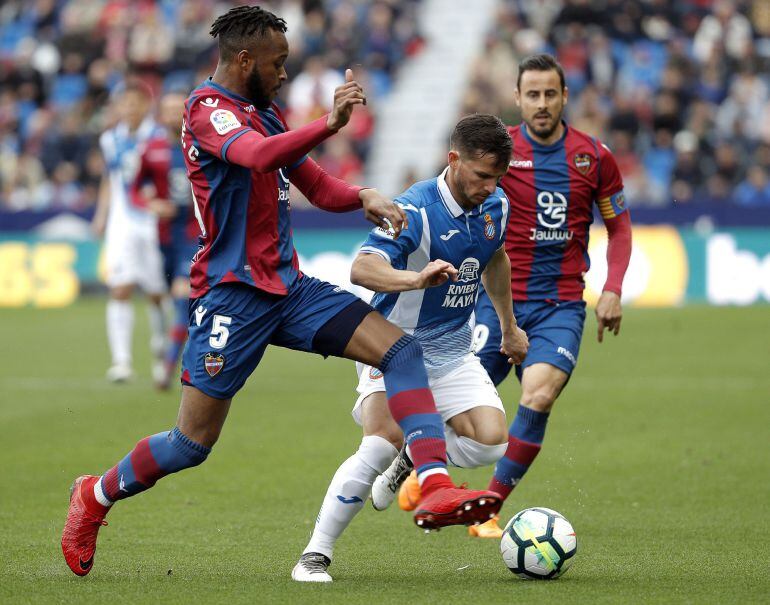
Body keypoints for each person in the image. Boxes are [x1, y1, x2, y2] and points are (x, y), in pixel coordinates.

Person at [61, 5, 502, 578]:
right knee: (191, 443)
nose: (285, 74)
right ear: (244, 60)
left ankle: (435, 483)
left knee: (401, 349)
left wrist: (365, 194)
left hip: (288, 288)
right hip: (231, 296)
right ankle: (94, 496)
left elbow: (313, 183)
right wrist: (329, 122)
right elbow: (256, 156)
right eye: (278, 63)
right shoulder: (207, 110)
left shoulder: (262, 113)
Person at [386, 53, 633, 538]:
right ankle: (412, 459)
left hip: (561, 304)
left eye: (550, 94)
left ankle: (488, 507)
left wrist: (613, 288)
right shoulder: (494, 156)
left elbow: (619, 228)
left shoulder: (594, 157)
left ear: (564, 96)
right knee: (460, 407)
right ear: (518, 98)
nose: (542, 104)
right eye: (533, 95)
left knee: (538, 396)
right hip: (494, 304)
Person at [292, 114, 530, 583]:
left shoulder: (496, 206)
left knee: (491, 443)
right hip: (393, 346)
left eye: (498, 177)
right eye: (482, 176)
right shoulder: (414, 209)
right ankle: (314, 555)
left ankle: (414, 459)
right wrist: (414, 278)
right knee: (380, 443)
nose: (490, 187)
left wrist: (508, 326)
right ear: (453, 159)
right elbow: (362, 268)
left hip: (453, 348)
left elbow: (495, 258)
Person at [92, 81, 169, 383]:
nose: (129, 108)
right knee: (120, 287)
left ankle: (161, 350)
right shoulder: (110, 139)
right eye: (124, 103)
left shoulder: (162, 137)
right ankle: (121, 361)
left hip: (153, 222)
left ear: (146, 105)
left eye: (135, 102)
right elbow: (109, 179)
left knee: (156, 292)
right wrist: (102, 215)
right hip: (122, 222)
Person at [129, 90, 201, 390]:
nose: (174, 114)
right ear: (161, 114)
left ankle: (166, 367)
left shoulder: (201, 145)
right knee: (165, 298)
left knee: (183, 296)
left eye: (178, 109)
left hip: (192, 235)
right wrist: (151, 204)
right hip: (162, 237)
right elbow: (133, 189)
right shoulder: (152, 147)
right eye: (168, 109)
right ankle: (166, 342)